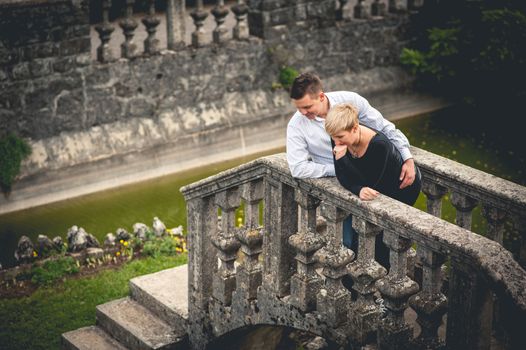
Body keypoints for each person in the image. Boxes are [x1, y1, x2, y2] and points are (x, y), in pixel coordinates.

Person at [286, 72, 416, 249]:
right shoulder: (296, 124)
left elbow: (385, 128)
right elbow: (298, 168)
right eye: (298, 108)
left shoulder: (351, 100)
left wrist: (407, 158)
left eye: (307, 107)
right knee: (346, 243)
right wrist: (340, 167)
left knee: (386, 239)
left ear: (321, 96)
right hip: (341, 185)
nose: (302, 113)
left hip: (376, 178)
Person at [325, 103, 422, 265]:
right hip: (374, 185)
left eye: (340, 137)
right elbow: (341, 174)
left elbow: (372, 184)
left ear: (355, 128)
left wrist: (343, 160)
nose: (336, 141)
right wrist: (358, 189)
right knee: (361, 242)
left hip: (402, 190)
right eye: (333, 137)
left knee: (383, 241)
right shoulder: (338, 134)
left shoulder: (379, 145)